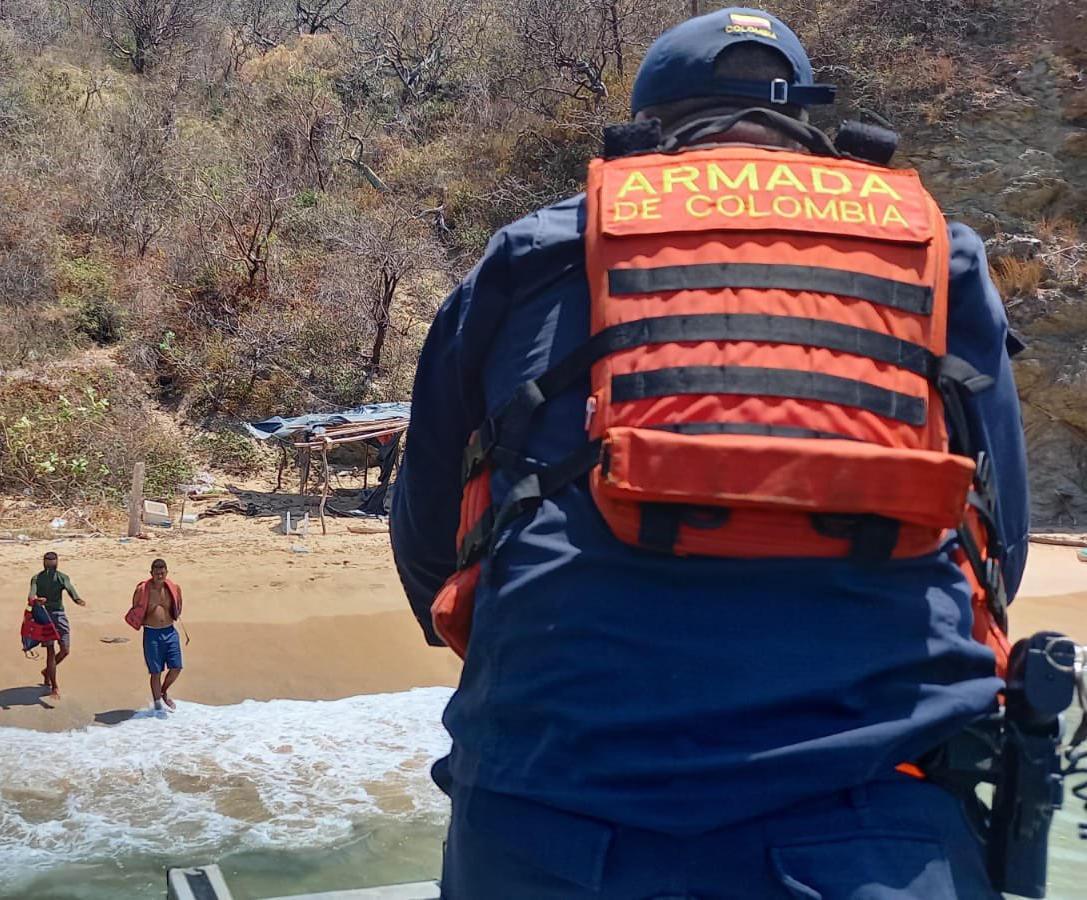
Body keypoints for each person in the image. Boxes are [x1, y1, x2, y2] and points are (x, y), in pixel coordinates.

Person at [391, 8, 1030, 898]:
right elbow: (1003, 547)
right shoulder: (940, 259)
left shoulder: (532, 255)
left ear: (651, 132)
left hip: (556, 804)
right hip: (874, 828)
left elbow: (428, 538)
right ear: (809, 128)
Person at [126, 558, 184, 711]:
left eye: (162, 573)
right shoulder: (143, 590)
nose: (159, 576)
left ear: (166, 573)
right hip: (152, 633)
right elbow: (135, 608)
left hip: (170, 631)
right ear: (151, 573)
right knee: (156, 671)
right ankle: (158, 705)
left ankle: (163, 691)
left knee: (176, 667)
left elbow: (179, 606)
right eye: (157, 573)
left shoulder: (174, 588)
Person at [29, 551, 87, 697]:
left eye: (52, 565)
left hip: (59, 614)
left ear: (57, 563)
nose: (49, 569)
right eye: (47, 565)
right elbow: (31, 595)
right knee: (50, 650)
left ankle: (47, 671)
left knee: (65, 650)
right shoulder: (36, 578)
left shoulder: (62, 577)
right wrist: (36, 600)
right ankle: (54, 686)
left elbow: (69, 588)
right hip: (44, 616)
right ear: (43, 563)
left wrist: (77, 599)